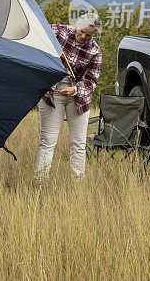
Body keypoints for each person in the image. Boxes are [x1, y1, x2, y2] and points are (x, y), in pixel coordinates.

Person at [34, 12, 102, 182]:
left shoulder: (95, 51)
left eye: (88, 35)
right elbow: (38, 31)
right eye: (82, 31)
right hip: (52, 92)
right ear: (77, 25)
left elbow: (91, 82)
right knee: (47, 141)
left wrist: (75, 89)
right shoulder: (59, 31)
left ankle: (77, 185)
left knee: (79, 144)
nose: (83, 36)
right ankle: (40, 182)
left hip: (78, 98)